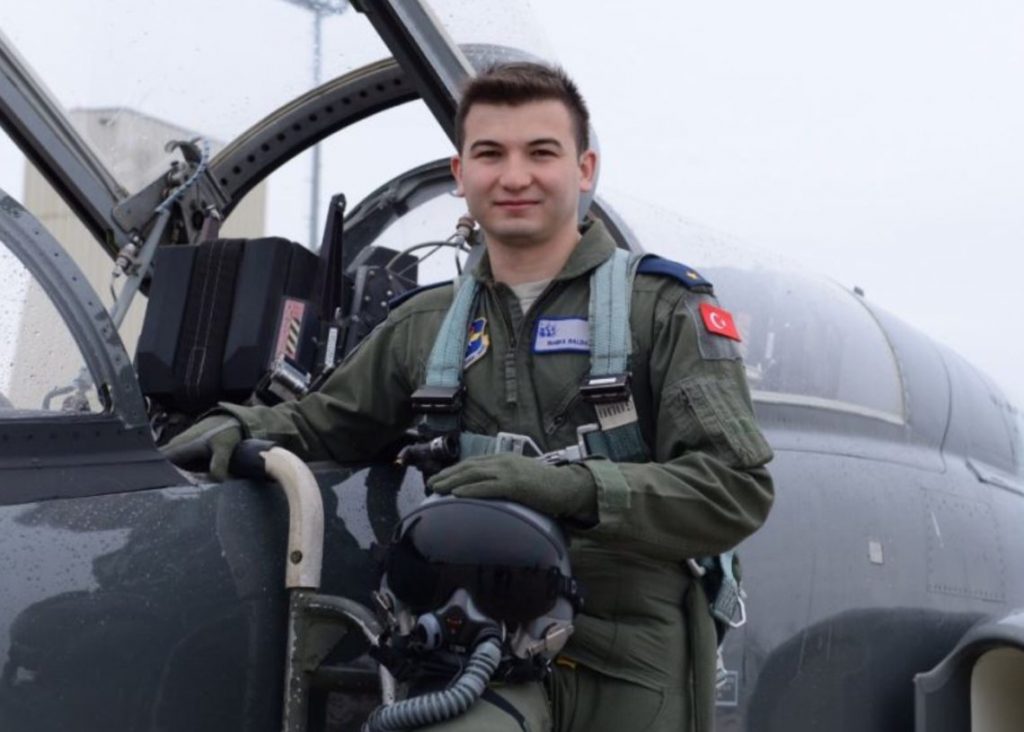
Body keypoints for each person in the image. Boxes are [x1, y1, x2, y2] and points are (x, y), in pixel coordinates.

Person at [167, 62, 774, 731]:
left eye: (541, 153)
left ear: (584, 169)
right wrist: (235, 429)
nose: (514, 177)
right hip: (477, 625)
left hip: (630, 637)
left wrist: (569, 490)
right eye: (490, 154)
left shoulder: (661, 308)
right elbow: (321, 426)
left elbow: (735, 489)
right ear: (461, 174)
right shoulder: (423, 327)